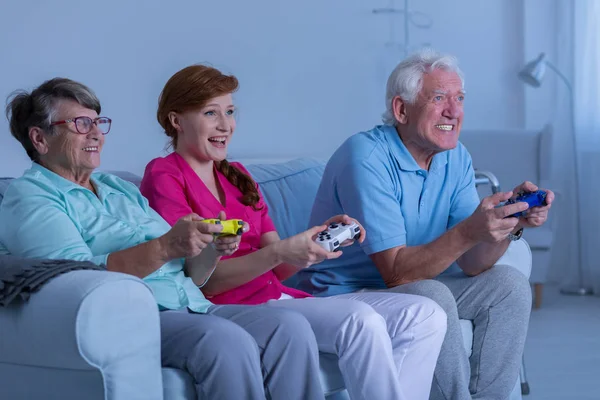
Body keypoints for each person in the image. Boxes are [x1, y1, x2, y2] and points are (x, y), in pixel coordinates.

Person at [0, 77, 326, 400]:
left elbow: (191, 276)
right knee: (226, 340)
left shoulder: (119, 189)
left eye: (98, 122)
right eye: (81, 123)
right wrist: (166, 246)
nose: (97, 134)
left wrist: (209, 249)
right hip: (138, 318)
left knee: (288, 328)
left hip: (192, 306)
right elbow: (75, 284)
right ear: (40, 138)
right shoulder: (30, 197)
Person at [140, 64, 447, 400]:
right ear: (176, 121)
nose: (225, 125)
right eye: (210, 113)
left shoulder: (237, 175)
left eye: (230, 112)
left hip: (280, 298)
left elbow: (281, 268)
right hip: (232, 307)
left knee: (424, 314)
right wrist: (281, 252)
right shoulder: (165, 175)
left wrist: (313, 244)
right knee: (361, 321)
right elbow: (204, 280)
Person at [289, 48, 555, 400]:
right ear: (401, 109)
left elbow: (473, 263)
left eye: (459, 98)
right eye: (439, 98)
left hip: (410, 285)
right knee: (431, 295)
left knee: (509, 285)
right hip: (346, 294)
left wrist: (506, 223)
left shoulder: (455, 156)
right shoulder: (365, 158)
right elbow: (396, 274)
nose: (454, 111)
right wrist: (470, 230)